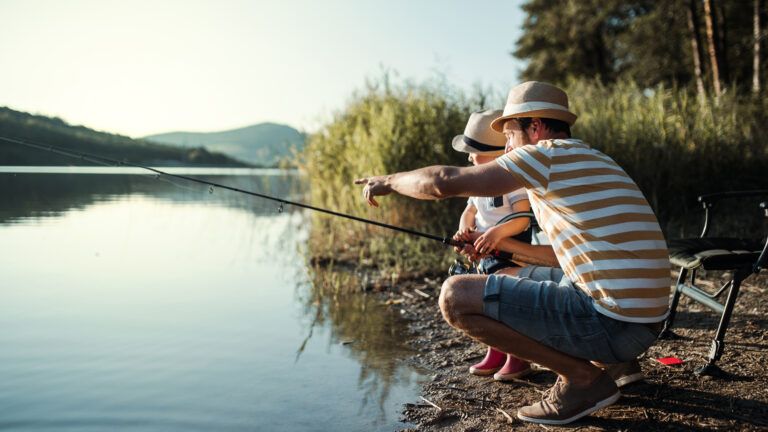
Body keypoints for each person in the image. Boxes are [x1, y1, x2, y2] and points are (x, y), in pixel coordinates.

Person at [354, 81, 669, 425]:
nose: (506, 147)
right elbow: (561, 259)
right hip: (646, 323)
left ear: (534, 128)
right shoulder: (592, 159)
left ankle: (583, 380)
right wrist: (501, 245)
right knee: (510, 274)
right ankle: (616, 364)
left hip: (614, 325)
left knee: (455, 296)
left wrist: (388, 180)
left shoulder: (543, 155)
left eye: (509, 135)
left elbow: (443, 181)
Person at [450, 109, 534, 381]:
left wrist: (497, 234)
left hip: (511, 252)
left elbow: (522, 219)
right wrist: (465, 228)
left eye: (474, 150)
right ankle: (495, 350)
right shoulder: (478, 183)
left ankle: (517, 356)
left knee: (504, 303)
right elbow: (470, 211)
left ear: (497, 154)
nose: (469, 156)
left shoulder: (513, 182)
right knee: (486, 301)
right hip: (484, 253)